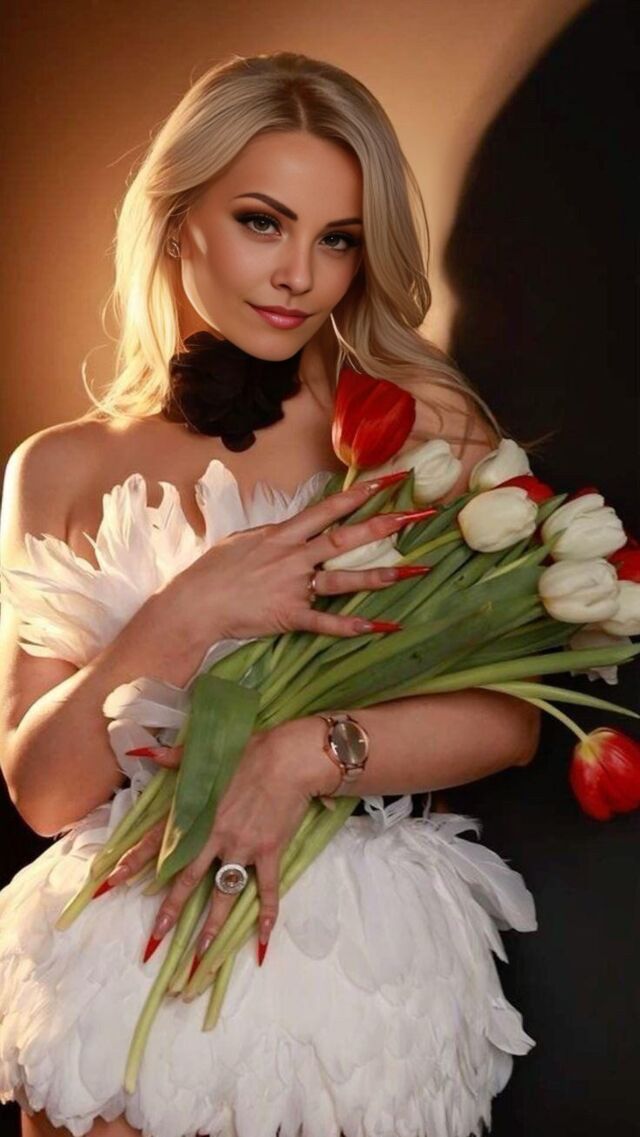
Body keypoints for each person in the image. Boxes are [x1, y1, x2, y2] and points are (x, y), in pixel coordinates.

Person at [0, 51, 541, 1137]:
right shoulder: (58, 466)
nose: (300, 273)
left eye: (337, 238)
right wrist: (188, 609)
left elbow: (512, 720)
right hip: (115, 937)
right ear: (178, 219)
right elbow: (45, 793)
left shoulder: (420, 430)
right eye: (262, 222)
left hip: (350, 952)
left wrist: (301, 755)